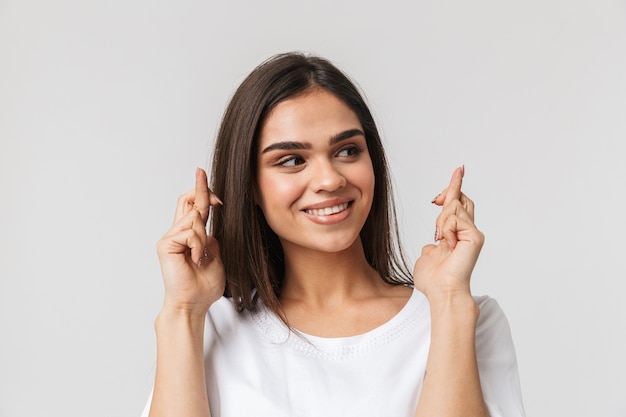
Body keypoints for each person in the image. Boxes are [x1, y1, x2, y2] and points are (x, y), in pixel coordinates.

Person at [141, 52, 525, 417]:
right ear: (250, 186)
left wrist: (448, 301)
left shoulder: (464, 318)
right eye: (292, 160)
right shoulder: (208, 329)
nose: (329, 179)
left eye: (347, 151)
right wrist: (182, 312)